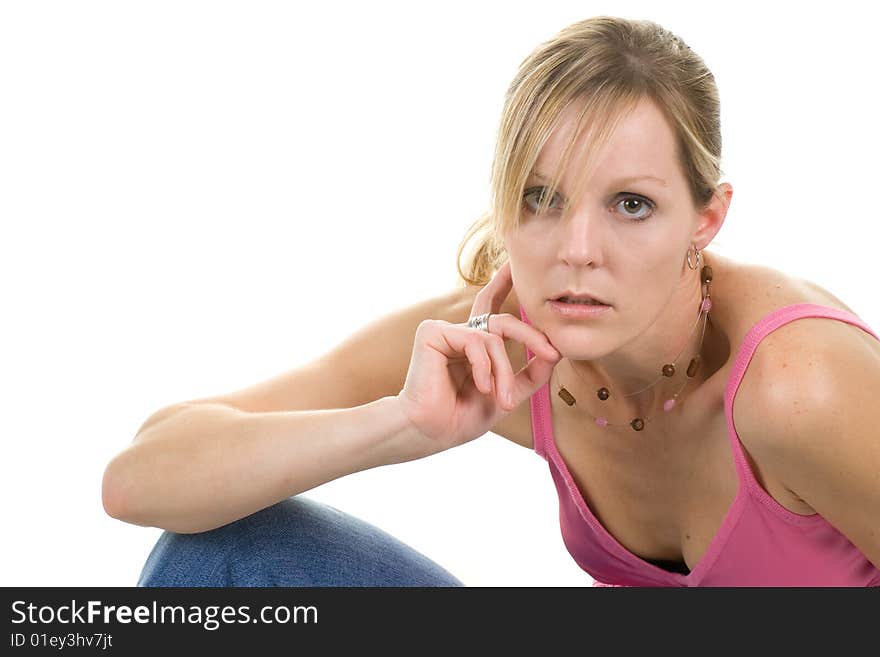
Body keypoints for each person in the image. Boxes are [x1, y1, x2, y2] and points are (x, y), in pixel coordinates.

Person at [103, 15, 880, 587]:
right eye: (542, 198)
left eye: (631, 205)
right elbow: (139, 479)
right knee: (218, 557)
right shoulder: (494, 345)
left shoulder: (795, 384)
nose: (577, 248)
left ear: (706, 218)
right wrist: (398, 424)